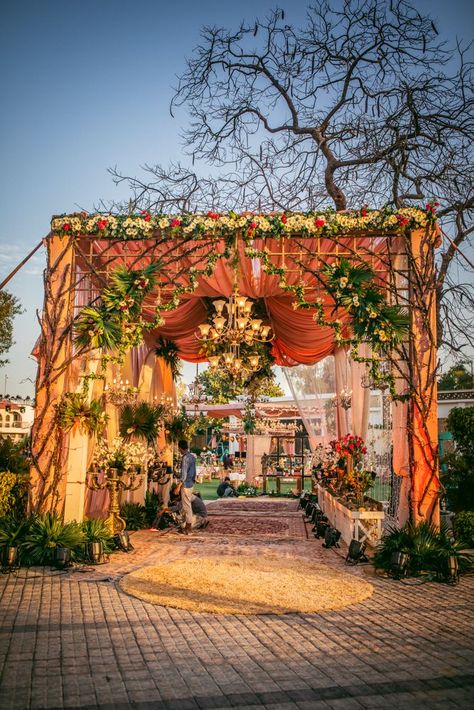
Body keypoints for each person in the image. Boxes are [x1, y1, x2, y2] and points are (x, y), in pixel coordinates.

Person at [178, 439, 196, 533]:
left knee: (186, 506)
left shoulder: (185, 458)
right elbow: (194, 472)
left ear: (180, 448)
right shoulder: (192, 457)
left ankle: (188, 526)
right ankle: (187, 525)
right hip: (190, 483)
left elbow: (184, 474)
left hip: (185, 484)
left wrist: (179, 485)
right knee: (187, 504)